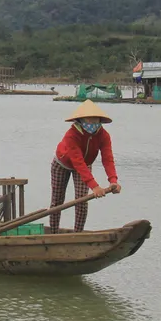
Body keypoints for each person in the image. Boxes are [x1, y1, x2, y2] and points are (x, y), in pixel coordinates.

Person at [50, 100, 122, 233]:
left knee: (82, 202)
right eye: (89, 120)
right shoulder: (71, 135)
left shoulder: (104, 135)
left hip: (85, 165)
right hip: (62, 163)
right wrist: (94, 186)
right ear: (81, 120)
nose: (93, 124)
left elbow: (107, 159)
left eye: (96, 120)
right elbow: (78, 162)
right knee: (57, 202)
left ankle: (78, 234)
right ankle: (53, 234)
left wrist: (113, 180)